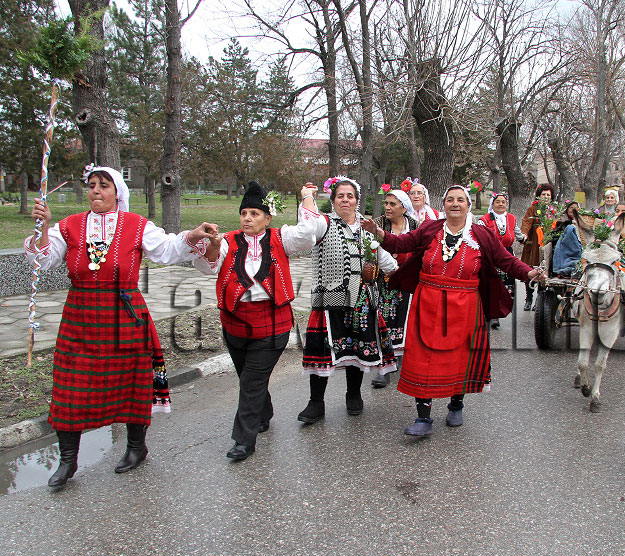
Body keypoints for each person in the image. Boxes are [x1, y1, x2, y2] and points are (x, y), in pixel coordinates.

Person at [25, 165, 217, 488]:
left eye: (103, 186)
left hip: (124, 314)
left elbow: (168, 249)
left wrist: (193, 236)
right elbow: (44, 260)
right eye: (91, 185)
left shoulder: (136, 225)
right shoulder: (70, 226)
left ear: (117, 193)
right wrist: (43, 230)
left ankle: (136, 446)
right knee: (70, 383)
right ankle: (68, 461)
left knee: (132, 379)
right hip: (81, 315)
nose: (96, 191)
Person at [362, 186, 545, 437]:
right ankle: (423, 417)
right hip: (427, 302)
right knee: (423, 356)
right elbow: (403, 242)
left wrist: (529, 272)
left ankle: (456, 404)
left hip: (466, 306)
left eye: (460, 200)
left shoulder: (481, 234)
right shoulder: (431, 228)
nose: (455, 204)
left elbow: (506, 260)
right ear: (444, 204)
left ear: (469, 205)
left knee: (459, 356)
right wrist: (379, 233)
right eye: (450, 200)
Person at [194, 181, 320, 461]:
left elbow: (309, 233)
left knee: (251, 381)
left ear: (267, 217)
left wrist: (308, 197)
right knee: (247, 376)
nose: (248, 218)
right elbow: (206, 267)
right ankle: (264, 412)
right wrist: (211, 247)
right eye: (244, 213)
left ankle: (243, 440)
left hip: (272, 321)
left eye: (254, 213)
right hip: (235, 321)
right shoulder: (226, 241)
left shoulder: (281, 238)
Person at [298, 176, 399, 424]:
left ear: (357, 201)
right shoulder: (323, 224)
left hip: (363, 302)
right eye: (340, 195)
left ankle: (353, 395)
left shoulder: (366, 229)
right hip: (329, 301)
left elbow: (388, 262)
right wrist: (307, 197)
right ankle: (316, 402)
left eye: (350, 195)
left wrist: (382, 270)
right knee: (323, 351)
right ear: (333, 201)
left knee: (356, 350)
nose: (345, 199)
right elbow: (307, 227)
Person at [369, 189, 418, 388]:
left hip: (407, 280)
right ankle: (384, 365)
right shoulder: (378, 224)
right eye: (386, 203)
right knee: (383, 321)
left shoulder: (414, 225)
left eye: (392, 204)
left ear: (404, 208)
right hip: (383, 280)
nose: (387, 207)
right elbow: (369, 247)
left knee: (404, 320)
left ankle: (400, 357)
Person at [478, 191, 524, 328]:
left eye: (503, 202)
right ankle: (487, 313)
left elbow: (518, 234)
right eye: (497, 201)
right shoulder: (485, 219)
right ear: (493, 203)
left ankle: (496, 315)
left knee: (505, 286)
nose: (500, 204)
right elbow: (479, 235)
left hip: (506, 255)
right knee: (489, 284)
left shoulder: (511, 218)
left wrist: (523, 239)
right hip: (490, 255)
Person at [520, 183, 554, 310]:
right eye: (543, 194)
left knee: (544, 272)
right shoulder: (532, 209)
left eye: (548, 195)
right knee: (530, 272)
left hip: (547, 245)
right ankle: (529, 298)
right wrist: (524, 233)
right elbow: (527, 222)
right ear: (538, 196)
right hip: (533, 245)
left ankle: (538, 302)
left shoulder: (553, 210)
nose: (545, 197)